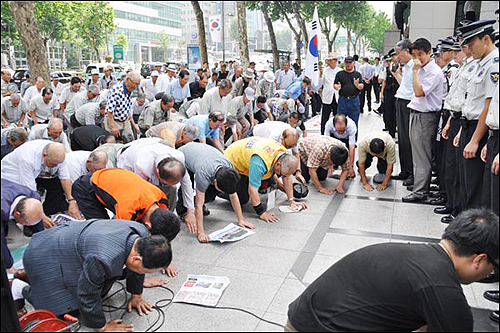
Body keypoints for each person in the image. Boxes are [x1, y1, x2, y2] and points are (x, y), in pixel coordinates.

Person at [287, 208, 499, 332]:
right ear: (479, 260)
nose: (489, 274)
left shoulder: (416, 254)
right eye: (493, 267)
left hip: (304, 316)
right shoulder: (443, 289)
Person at [22, 219, 172, 331]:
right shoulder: (103, 258)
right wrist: (103, 327)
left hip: (74, 243)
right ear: (136, 259)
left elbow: (137, 267)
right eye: (145, 271)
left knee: (99, 288)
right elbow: (87, 293)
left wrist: (136, 295)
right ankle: (19, 286)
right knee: (61, 311)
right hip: (45, 255)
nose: (143, 275)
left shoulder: (142, 236)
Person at [454, 20, 498, 215]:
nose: (469, 49)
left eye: (472, 44)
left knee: (475, 188)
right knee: (465, 182)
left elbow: (487, 106)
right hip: (470, 127)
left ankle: (471, 234)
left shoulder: (493, 65)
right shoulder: (481, 63)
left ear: (486, 39)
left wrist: (475, 140)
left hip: (478, 130)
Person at [436, 34, 478, 223]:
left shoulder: (476, 67)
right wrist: (449, 122)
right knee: (451, 165)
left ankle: (459, 210)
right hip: (455, 119)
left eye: (459, 49)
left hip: (467, 122)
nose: (455, 54)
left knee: (462, 172)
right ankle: (451, 203)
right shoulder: (462, 68)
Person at [177, 142, 253, 242]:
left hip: (202, 155)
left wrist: (241, 220)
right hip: (184, 157)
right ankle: (183, 211)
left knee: (212, 191)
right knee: (187, 186)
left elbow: (233, 195)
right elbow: (198, 204)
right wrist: (201, 233)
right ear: (215, 181)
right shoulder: (203, 174)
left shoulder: (229, 169)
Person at [402, 38, 445, 203]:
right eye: (414, 55)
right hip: (416, 113)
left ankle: (420, 192)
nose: (418, 58)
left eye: (421, 54)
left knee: (422, 156)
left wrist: (414, 71)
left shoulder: (433, 71)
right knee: (417, 154)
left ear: (429, 53)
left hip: (426, 117)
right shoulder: (422, 68)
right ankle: (420, 186)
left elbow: (419, 92)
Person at [225, 137, 306, 222]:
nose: (281, 176)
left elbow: (287, 178)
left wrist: (291, 200)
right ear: (278, 164)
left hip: (250, 156)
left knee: (269, 180)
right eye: (281, 173)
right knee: (243, 198)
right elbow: (252, 189)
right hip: (232, 160)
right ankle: (221, 190)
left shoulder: (283, 154)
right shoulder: (259, 163)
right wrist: (262, 213)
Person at [1, 140, 82, 219]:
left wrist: (71, 201)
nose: (55, 166)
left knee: (56, 187)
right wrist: (39, 214)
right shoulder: (27, 158)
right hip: (14, 173)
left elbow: (65, 179)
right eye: (53, 164)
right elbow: (30, 190)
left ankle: (48, 213)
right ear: (44, 155)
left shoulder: (58, 155)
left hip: (39, 172)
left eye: (57, 164)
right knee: (23, 198)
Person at [116, 140, 194, 219]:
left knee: (172, 189)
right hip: (128, 154)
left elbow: (186, 184)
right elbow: (142, 193)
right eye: (166, 183)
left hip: (152, 143)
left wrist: (190, 212)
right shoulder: (142, 166)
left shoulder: (179, 159)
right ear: (157, 172)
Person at [1, 179, 45, 270]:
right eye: (27, 224)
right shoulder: (2, 208)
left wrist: (44, 245)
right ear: (17, 214)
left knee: (15, 236)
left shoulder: (34, 197)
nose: (29, 227)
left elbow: (38, 227)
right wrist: (8, 265)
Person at [393, 39, 415, 185]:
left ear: (407, 51)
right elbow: (404, 86)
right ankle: (405, 170)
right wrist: (396, 74)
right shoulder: (406, 66)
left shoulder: (415, 66)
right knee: (402, 139)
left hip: (409, 105)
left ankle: (412, 173)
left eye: (398, 53)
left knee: (409, 140)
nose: (397, 56)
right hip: (401, 101)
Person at [105, 71, 141, 141]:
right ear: (127, 80)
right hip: (114, 120)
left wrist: (134, 125)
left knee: (130, 140)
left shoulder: (131, 90)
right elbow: (109, 111)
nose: (136, 87)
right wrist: (113, 126)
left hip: (125, 120)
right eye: (135, 84)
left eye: (138, 85)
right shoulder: (116, 90)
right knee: (117, 143)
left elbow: (128, 109)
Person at [334, 56, 364, 132]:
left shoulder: (357, 74)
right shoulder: (339, 74)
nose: (348, 65)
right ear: (344, 63)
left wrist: (357, 85)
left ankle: (353, 142)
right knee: (340, 121)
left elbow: (361, 86)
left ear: (354, 63)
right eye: (347, 63)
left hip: (354, 100)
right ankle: (340, 141)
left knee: (354, 123)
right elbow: (335, 84)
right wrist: (337, 87)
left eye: (350, 63)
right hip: (343, 100)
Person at [321, 54, 342, 134]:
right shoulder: (324, 71)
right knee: (325, 117)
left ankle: (337, 133)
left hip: (337, 96)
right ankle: (323, 133)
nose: (330, 62)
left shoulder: (340, 71)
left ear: (335, 61)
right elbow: (320, 83)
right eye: (329, 60)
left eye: (332, 60)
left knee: (337, 117)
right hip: (327, 96)